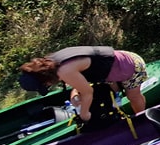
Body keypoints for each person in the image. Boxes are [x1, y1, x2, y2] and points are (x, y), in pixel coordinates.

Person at [19, 46, 148, 120]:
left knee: (133, 96)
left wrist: (84, 114)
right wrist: (74, 94)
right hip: (110, 68)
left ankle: (142, 118)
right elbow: (79, 80)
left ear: (44, 77)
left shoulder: (64, 70)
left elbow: (88, 92)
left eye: (45, 84)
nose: (48, 86)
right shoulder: (51, 63)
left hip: (129, 66)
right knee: (112, 93)